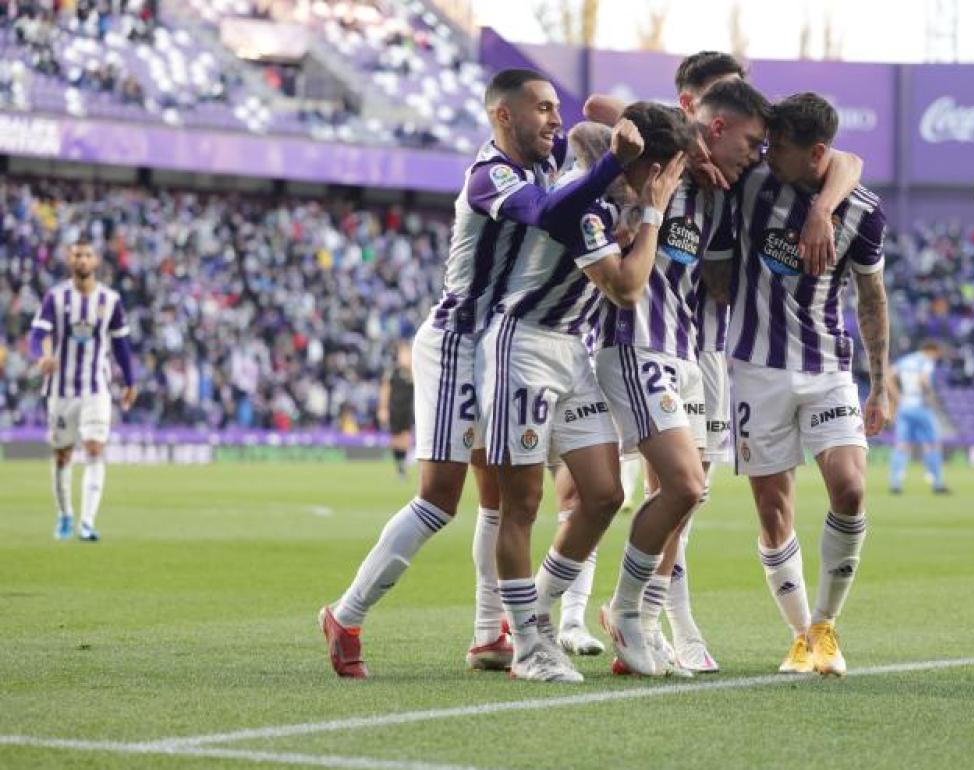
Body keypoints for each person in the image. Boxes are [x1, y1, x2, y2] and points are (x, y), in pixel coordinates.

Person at [318, 68, 634, 679]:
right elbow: (546, 212)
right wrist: (612, 165)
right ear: (503, 115)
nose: (555, 119)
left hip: (508, 345)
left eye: (557, 108)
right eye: (542, 108)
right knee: (441, 497)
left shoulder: (544, 166)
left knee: (500, 498)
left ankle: (491, 634)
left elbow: (592, 132)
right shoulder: (491, 174)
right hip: (458, 344)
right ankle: (346, 614)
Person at [584, 51, 865, 673]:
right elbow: (596, 109)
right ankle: (650, 623)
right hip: (651, 340)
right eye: (747, 136)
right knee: (664, 487)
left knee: (689, 494)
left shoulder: (747, 173)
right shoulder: (670, 153)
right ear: (694, 108)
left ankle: (652, 621)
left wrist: (821, 210)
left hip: (706, 348)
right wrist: (689, 144)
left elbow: (847, 161)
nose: (757, 150)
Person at [478, 102, 688, 682]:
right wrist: (653, 212)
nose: (672, 182)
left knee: (603, 494)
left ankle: (536, 615)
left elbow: (593, 123)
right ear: (650, 168)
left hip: (572, 352)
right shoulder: (583, 203)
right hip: (524, 347)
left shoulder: (609, 188)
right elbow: (626, 288)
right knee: (521, 504)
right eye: (669, 171)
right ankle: (528, 646)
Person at [704, 92, 892, 677]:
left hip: (827, 367)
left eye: (778, 147)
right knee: (772, 510)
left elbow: (871, 298)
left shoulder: (862, 210)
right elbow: (846, 159)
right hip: (755, 368)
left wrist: (880, 383)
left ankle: (825, 626)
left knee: (850, 488)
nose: (766, 154)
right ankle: (799, 636)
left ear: (815, 153)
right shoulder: (751, 181)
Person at [29, 238, 137, 543]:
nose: (82, 260)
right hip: (61, 390)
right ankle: (65, 514)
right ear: (70, 259)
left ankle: (87, 522)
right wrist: (41, 357)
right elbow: (37, 334)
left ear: (96, 261)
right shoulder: (55, 297)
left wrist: (130, 381)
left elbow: (121, 344)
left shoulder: (110, 300)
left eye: (88, 255)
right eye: (77, 255)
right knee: (63, 455)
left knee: (94, 448)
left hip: (96, 388)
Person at [889, 340, 951, 495]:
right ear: (932, 351)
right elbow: (923, 379)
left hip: (904, 406)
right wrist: (931, 395)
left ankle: (895, 483)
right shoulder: (926, 361)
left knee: (902, 444)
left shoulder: (905, 360)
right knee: (932, 444)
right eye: (936, 355)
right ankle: (937, 483)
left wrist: (897, 396)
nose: (936, 358)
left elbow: (888, 375)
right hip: (920, 405)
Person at [377, 340, 415, 479]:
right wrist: (383, 408)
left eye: (408, 354)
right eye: (403, 354)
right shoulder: (392, 372)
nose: (405, 357)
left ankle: (403, 467)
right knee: (395, 439)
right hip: (394, 409)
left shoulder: (414, 372)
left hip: (408, 410)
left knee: (406, 437)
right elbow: (385, 390)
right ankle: (399, 467)